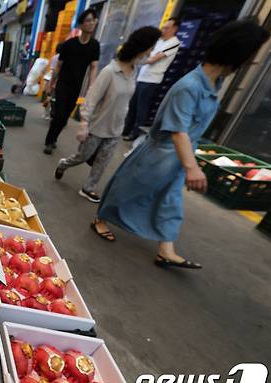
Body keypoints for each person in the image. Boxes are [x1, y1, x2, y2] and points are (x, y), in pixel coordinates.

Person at [90, 20, 269, 269]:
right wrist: (192, 167)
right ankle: (101, 219)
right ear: (237, 55)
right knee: (130, 189)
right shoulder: (189, 87)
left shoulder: (212, 85)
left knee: (170, 201)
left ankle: (167, 249)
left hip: (179, 157)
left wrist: (188, 163)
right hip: (159, 154)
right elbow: (177, 131)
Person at [55, 27, 162, 203]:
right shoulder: (110, 72)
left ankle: (88, 188)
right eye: (151, 47)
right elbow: (91, 97)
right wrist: (84, 122)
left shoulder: (133, 70)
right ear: (142, 48)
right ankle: (63, 164)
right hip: (97, 127)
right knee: (82, 157)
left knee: (102, 163)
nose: (151, 51)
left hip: (116, 128)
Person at [43, 9, 100, 154]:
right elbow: (58, 66)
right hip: (62, 84)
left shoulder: (94, 46)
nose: (91, 23)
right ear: (81, 25)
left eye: (93, 20)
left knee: (65, 117)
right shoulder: (69, 45)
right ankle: (49, 142)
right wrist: (51, 84)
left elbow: (93, 68)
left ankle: (54, 137)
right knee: (59, 114)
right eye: (88, 20)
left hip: (76, 87)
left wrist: (91, 88)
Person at [123, 17, 182, 142]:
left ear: (175, 29)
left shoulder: (174, 43)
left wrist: (136, 59)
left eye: (167, 28)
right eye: (163, 27)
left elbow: (153, 59)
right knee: (132, 105)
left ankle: (135, 133)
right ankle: (126, 129)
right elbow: (148, 54)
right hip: (141, 76)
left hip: (152, 80)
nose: (163, 30)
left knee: (141, 108)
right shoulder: (159, 40)